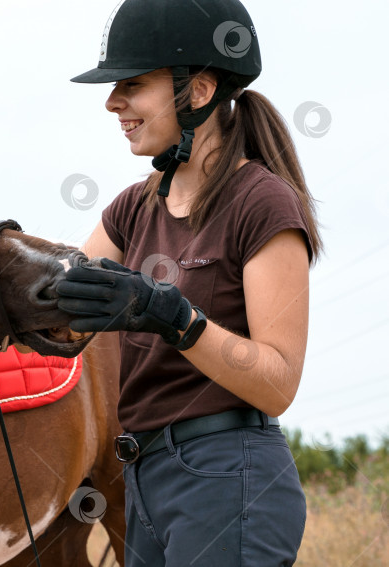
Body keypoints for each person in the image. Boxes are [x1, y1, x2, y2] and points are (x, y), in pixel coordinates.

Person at [57, 1, 321, 565]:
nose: (112, 102)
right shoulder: (135, 206)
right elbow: (59, 296)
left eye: (132, 84)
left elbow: (277, 384)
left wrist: (178, 320)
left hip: (228, 478)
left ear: (197, 91)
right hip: (144, 479)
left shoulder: (263, 202)